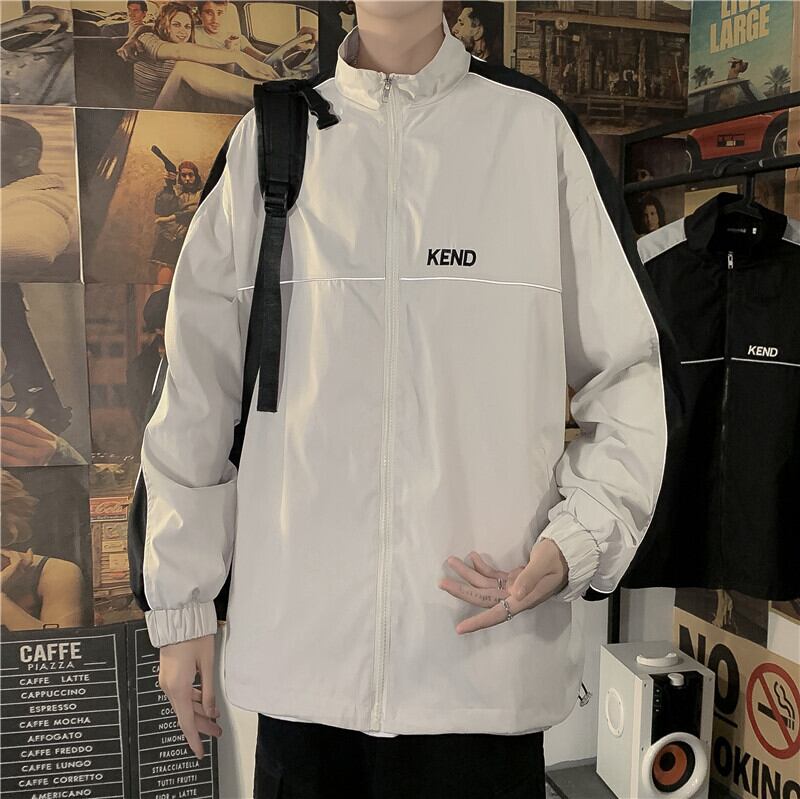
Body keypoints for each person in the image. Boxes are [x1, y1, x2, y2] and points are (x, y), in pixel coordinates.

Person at [137, 2, 676, 796]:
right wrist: (181, 609)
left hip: (482, 663)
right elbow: (196, 391)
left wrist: (581, 537)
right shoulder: (269, 142)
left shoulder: (535, 135)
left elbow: (631, 371)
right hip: (305, 667)